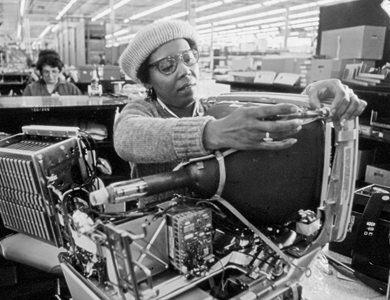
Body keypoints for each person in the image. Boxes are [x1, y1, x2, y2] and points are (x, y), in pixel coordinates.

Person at [114, 20, 367, 205]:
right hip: (159, 231)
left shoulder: (216, 106)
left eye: (189, 57)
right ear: (147, 81)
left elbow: (261, 112)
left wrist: (311, 98)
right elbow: (127, 137)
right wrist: (211, 132)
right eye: (168, 65)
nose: (185, 70)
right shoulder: (142, 111)